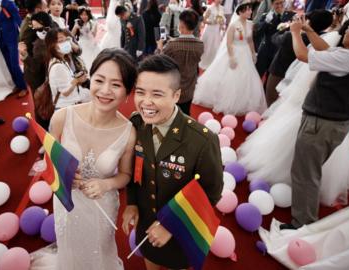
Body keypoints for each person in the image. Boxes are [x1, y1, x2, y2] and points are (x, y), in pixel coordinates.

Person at [122, 54, 223, 270]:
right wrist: (131, 202)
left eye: (157, 94)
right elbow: (133, 171)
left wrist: (172, 225)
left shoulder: (202, 140)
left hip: (181, 235)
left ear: (176, 95)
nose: (146, 102)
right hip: (146, 225)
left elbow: (212, 192)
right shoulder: (136, 124)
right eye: (140, 92)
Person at [279, 14, 349, 230]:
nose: (345, 30)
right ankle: (304, 213)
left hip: (321, 122)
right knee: (311, 169)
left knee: (306, 172)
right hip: (336, 123)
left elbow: (303, 54)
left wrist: (294, 32)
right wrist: (309, 31)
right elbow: (326, 52)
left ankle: (303, 224)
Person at [49, 48, 137, 270]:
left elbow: (126, 175)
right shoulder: (61, 118)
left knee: (98, 249)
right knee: (68, 246)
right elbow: (50, 162)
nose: (105, 90)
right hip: (66, 201)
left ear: (128, 92)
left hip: (102, 205)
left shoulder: (128, 131)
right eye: (99, 80)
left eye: (116, 84)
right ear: (90, 79)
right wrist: (62, 173)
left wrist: (106, 183)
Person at [193, 3, 267, 115]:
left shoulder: (250, 24)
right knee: (230, 75)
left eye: (250, 10)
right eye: (248, 10)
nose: (251, 12)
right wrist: (232, 57)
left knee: (246, 76)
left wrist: (253, 53)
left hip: (245, 52)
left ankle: (242, 100)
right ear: (240, 12)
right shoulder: (233, 25)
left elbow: (250, 40)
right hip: (235, 51)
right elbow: (229, 43)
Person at [265, 9, 333, 106]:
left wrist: (288, 27)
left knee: (271, 99)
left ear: (308, 21)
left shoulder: (290, 36)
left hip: (278, 73)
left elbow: (274, 38)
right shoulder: (321, 41)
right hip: (298, 77)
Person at [156, 9, 203, 115]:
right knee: (185, 114)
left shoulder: (172, 45)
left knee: (171, 114)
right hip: (190, 86)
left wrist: (160, 46)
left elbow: (159, 61)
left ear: (181, 25)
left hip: (174, 88)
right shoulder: (200, 45)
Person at [0, 0, 28, 97]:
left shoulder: (9, 3)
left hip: (12, 37)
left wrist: (23, 36)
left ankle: (24, 87)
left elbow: (18, 19)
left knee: (14, 64)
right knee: (8, 64)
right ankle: (17, 84)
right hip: (1, 39)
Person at [45, 28, 88, 111]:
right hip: (65, 108)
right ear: (52, 45)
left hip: (68, 106)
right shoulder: (58, 66)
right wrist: (77, 80)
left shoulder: (62, 60)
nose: (65, 43)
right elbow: (65, 92)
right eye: (60, 41)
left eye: (66, 40)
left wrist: (77, 80)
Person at [254, 0, 295, 77]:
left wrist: (283, 17)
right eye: (277, 3)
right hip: (265, 50)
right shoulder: (266, 16)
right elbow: (258, 32)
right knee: (257, 74)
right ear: (272, 4)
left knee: (270, 79)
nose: (279, 5)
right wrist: (266, 21)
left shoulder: (291, 16)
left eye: (281, 3)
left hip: (279, 53)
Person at [199, 0, 226, 69]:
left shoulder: (222, 8)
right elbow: (204, 20)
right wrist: (212, 22)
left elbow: (222, 19)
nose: (220, 0)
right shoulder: (210, 8)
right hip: (210, 29)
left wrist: (222, 25)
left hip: (217, 30)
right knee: (208, 45)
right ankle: (206, 61)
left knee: (216, 46)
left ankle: (214, 62)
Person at [71, 6, 98, 70]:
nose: (84, 16)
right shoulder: (78, 22)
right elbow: (72, 34)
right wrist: (76, 27)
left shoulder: (92, 23)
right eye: (82, 15)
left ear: (89, 15)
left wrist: (90, 31)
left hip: (91, 43)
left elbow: (94, 35)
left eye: (86, 15)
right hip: (82, 43)